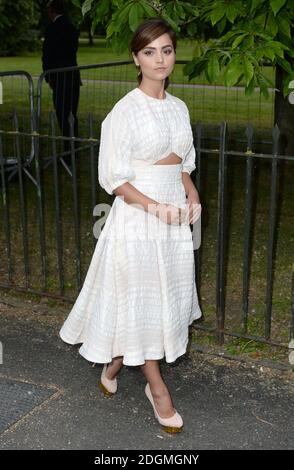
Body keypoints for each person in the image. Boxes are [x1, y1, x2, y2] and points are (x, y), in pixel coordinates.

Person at [59, 17, 202, 433]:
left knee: (159, 301)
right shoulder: (124, 111)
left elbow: (182, 165)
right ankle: (157, 390)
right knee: (143, 299)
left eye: (167, 50)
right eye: (150, 52)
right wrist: (156, 207)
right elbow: (115, 180)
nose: (160, 59)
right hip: (140, 217)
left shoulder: (179, 108)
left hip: (173, 217)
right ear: (135, 59)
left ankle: (115, 364)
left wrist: (191, 194)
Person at [42, 0, 81, 162]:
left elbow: (48, 54)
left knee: (62, 113)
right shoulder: (72, 28)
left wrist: (48, 75)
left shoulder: (52, 29)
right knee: (72, 113)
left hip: (59, 77)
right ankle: (75, 148)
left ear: (52, 11)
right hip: (72, 75)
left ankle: (67, 152)